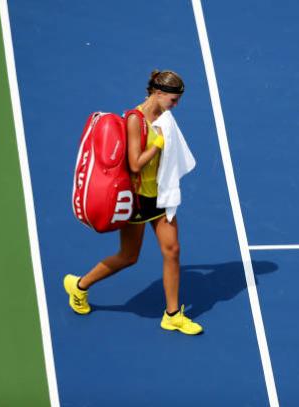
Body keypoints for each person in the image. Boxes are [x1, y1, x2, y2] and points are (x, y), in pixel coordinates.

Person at [64, 70, 203, 335]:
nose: (176, 106)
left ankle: (172, 314)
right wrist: (158, 145)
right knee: (129, 257)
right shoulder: (134, 120)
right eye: (173, 100)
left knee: (172, 251)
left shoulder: (165, 117)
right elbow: (135, 164)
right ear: (158, 93)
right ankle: (79, 286)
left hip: (160, 196)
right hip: (138, 201)